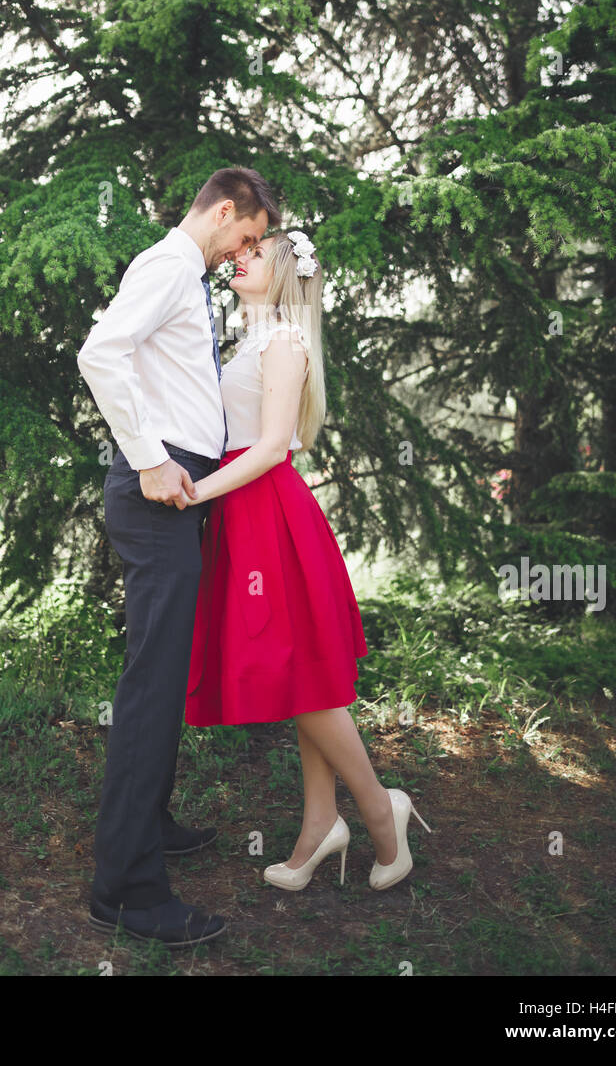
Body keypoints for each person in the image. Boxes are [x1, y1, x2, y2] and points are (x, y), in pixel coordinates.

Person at [183, 228, 432, 893]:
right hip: (244, 515)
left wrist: (192, 493)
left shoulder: (285, 341)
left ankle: (382, 812)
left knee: (305, 679)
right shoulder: (252, 339)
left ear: (285, 274)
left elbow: (266, 450)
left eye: (255, 254)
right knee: (302, 678)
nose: (241, 257)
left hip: (268, 512)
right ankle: (322, 823)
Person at [76, 166, 282, 949]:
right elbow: (102, 354)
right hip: (157, 494)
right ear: (225, 210)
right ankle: (125, 888)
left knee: (165, 674)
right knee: (152, 686)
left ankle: (151, 821)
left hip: (174, 500)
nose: (246, 251)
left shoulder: (186, 277)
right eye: (249, 235)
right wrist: (152, 458)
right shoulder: (167, 266)